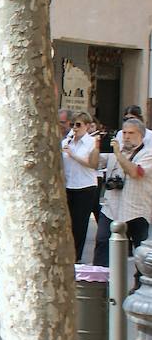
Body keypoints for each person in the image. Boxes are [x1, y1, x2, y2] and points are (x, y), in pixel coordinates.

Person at [93, 118, 152, 267]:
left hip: (136, 210)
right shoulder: (115, 153)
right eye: (124, 132)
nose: (126, 136)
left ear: (141, 135)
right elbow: (93, 163)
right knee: (102, 241)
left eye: (131, 133)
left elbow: (135, 172)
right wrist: (95, 145)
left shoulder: (147, 153)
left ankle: (139, 285)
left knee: (140, 250)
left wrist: (119, 154)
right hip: (111, 208)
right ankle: (99, 282)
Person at [63, 112, 102, 262]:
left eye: (78, 125)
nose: (75, 128)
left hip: (85, 187)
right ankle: (67, 253)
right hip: (69, 185)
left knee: (80, 223)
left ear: (86, 126)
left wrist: (73, 155)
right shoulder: (66, 142)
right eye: (72, 124)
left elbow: (92, 164)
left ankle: (75, 256)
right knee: (68, 222)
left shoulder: (92, 142)